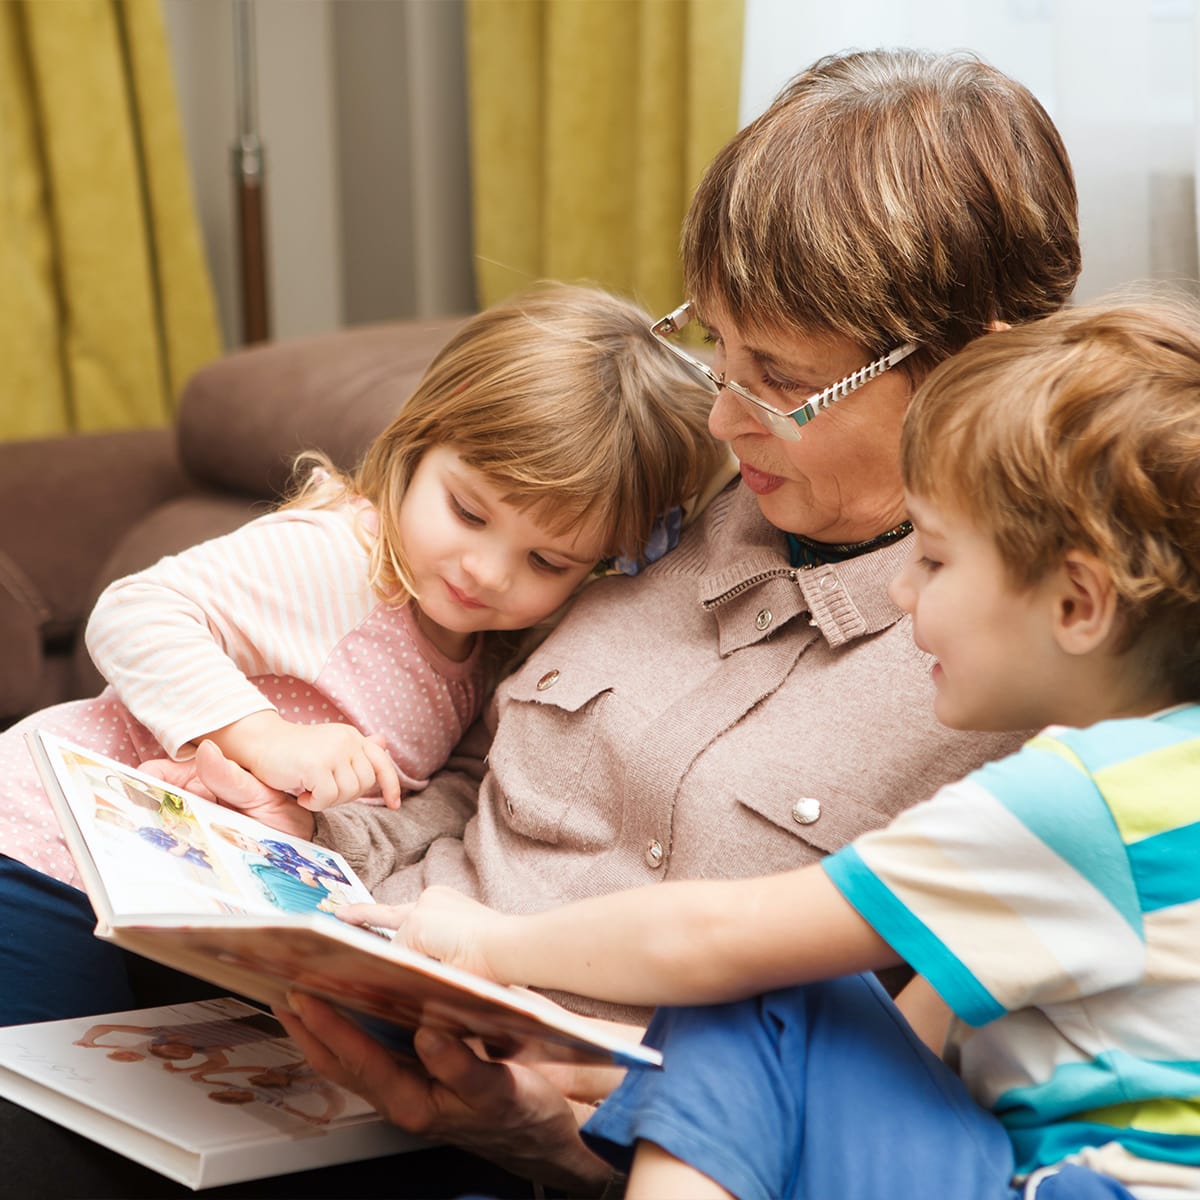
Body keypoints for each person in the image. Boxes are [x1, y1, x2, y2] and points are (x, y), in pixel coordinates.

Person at [0, 48, 1081, 1199]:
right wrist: (300, 831)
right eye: (713, 342)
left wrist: (553, 1143)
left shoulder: (1039, 682)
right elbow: (466, 775)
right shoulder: (649, 521)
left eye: (776, 378)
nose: (720, 416)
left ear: (979, 366)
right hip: (319, 1022)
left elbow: (891, 1109)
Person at [383, 300, 1200, 1200]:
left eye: (933, 559)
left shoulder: (1075, 803)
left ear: (1078, 606)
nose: (899, 587)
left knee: (762, 992)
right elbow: (911, 1041)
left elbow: (714, 939)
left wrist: (487, 946)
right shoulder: (1156, 781)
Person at [0, 281, 725, 891]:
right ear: (423, 434)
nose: (487, 571)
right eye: (468, 512)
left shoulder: (490, 650)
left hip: (160, 878)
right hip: (41, 835)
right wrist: (263, 736)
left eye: (547, 563)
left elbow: (456, 794)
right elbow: (134, 612)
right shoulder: (343, 558)